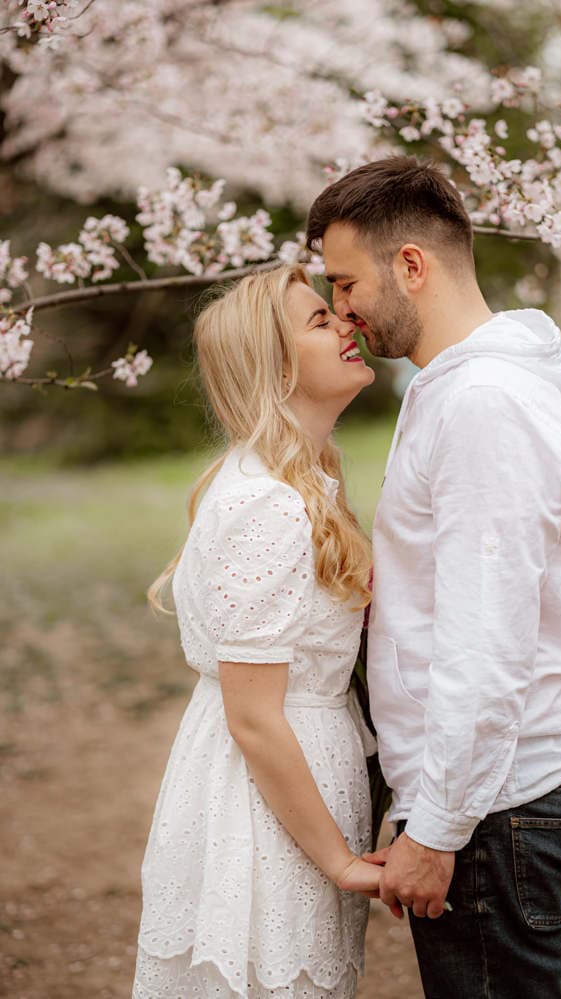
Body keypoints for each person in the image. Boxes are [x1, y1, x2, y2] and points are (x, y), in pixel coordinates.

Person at [306, 155, 561, 998]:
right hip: (490, 791)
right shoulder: (455, 389)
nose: (342, 311)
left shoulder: (483, 401)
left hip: (499, 800)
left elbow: (487, 638)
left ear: (411, 265)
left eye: (344, 282)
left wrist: (437, 828)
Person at [132, 264, 388, 999]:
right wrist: (340, 860)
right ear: (277, 367)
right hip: (262, 803)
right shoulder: (268, 504)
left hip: (295, 781)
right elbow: (252, 714)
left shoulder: (298, 480)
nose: (346, 323)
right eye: (318, 321)